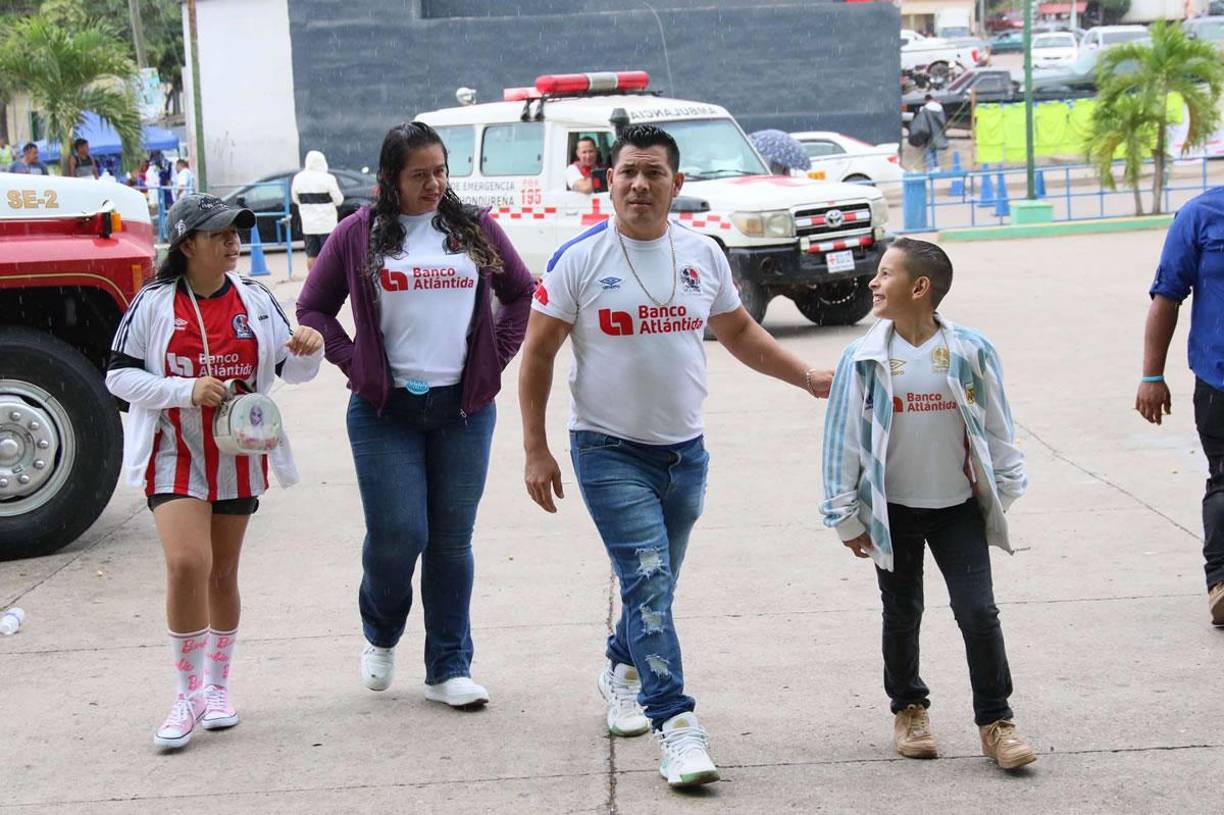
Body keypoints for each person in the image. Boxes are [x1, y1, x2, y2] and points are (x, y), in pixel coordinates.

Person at [519, 124, 831, 789]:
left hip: (684, 453)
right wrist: (535, 448)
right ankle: (678, 728)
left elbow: (740, 333)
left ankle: (621, 666)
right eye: (627, 171)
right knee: (650, 579)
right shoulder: (577, 259)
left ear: (676, 183)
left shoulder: (703, 254)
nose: (639, 184)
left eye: (653, 172)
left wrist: (804, 375)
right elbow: (538, 353)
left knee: (653, 586)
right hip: (606, 449)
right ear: (609, 181)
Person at [296, 122, 535, 708]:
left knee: (452, 543)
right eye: (419, 174)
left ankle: (449, 666)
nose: (434, 184)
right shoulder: (357, 234)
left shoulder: (473, 228)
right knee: (400, 533)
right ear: (390, 180)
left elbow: (522, 292)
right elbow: (314, 309)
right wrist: (357, 366)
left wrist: (494, 358)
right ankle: (380, 630)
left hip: (463, 409)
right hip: (386, 411)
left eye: (440, 171)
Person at [106, 193, 324, 750]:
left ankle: (218, 686)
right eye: (221, 233)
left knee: (222, 575)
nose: (233, 242)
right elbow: (119, 378)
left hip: (240, 455)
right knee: (187, 563)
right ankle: (186, 694)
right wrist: (184, 389)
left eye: (235, 232)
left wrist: (308, 348)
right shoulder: (154, 304)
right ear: (187, 245)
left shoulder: (255, 299)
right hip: (174, 451)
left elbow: (293, 372)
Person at [821, 238, 1035, 770]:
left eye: (885, 273)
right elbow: (842, 437)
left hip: (957, 509)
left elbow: (998, 427)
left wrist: (1001, 490)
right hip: (892, 512)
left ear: (920, 288)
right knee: (902, 613)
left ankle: (996, 721)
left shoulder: (970, 350)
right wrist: (846, 515)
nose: (874, 282)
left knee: (979, 612)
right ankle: (909, 708)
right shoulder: (864, 356)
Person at [1135, 188, 1224, 627]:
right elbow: (1166, 296)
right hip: (1219, 380)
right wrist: (1152, 376)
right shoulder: (1200, 216)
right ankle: (1221, 584)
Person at [290, 150, 345, 271]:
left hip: (308, 225)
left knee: (311, 255)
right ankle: (329, 279)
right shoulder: (328, 178)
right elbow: (339, 200)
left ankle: (313, 280)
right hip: (327, 224)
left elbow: (295, 199)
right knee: (329, 255)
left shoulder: (298, 178)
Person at [908, 95, 948, 172]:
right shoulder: (940, 108)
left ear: (926, 100)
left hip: (929, 133)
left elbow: (922, 122)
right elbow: (943, 120)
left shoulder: (925, 109)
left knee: (928, 150)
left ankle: (931, 168)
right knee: (935, 150)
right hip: (938, 132)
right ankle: (937, 167)